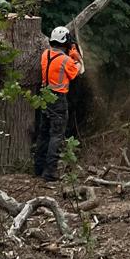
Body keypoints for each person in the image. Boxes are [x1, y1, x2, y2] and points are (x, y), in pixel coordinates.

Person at [34, 25, 84, 180]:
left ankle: (38, 168)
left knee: (43, 134)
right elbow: (79, 71)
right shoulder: (66, 60)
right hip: (58, 100)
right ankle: (50, 173)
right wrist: (76, 57)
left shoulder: (45, 54)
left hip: (44, 97)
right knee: (56, 135)